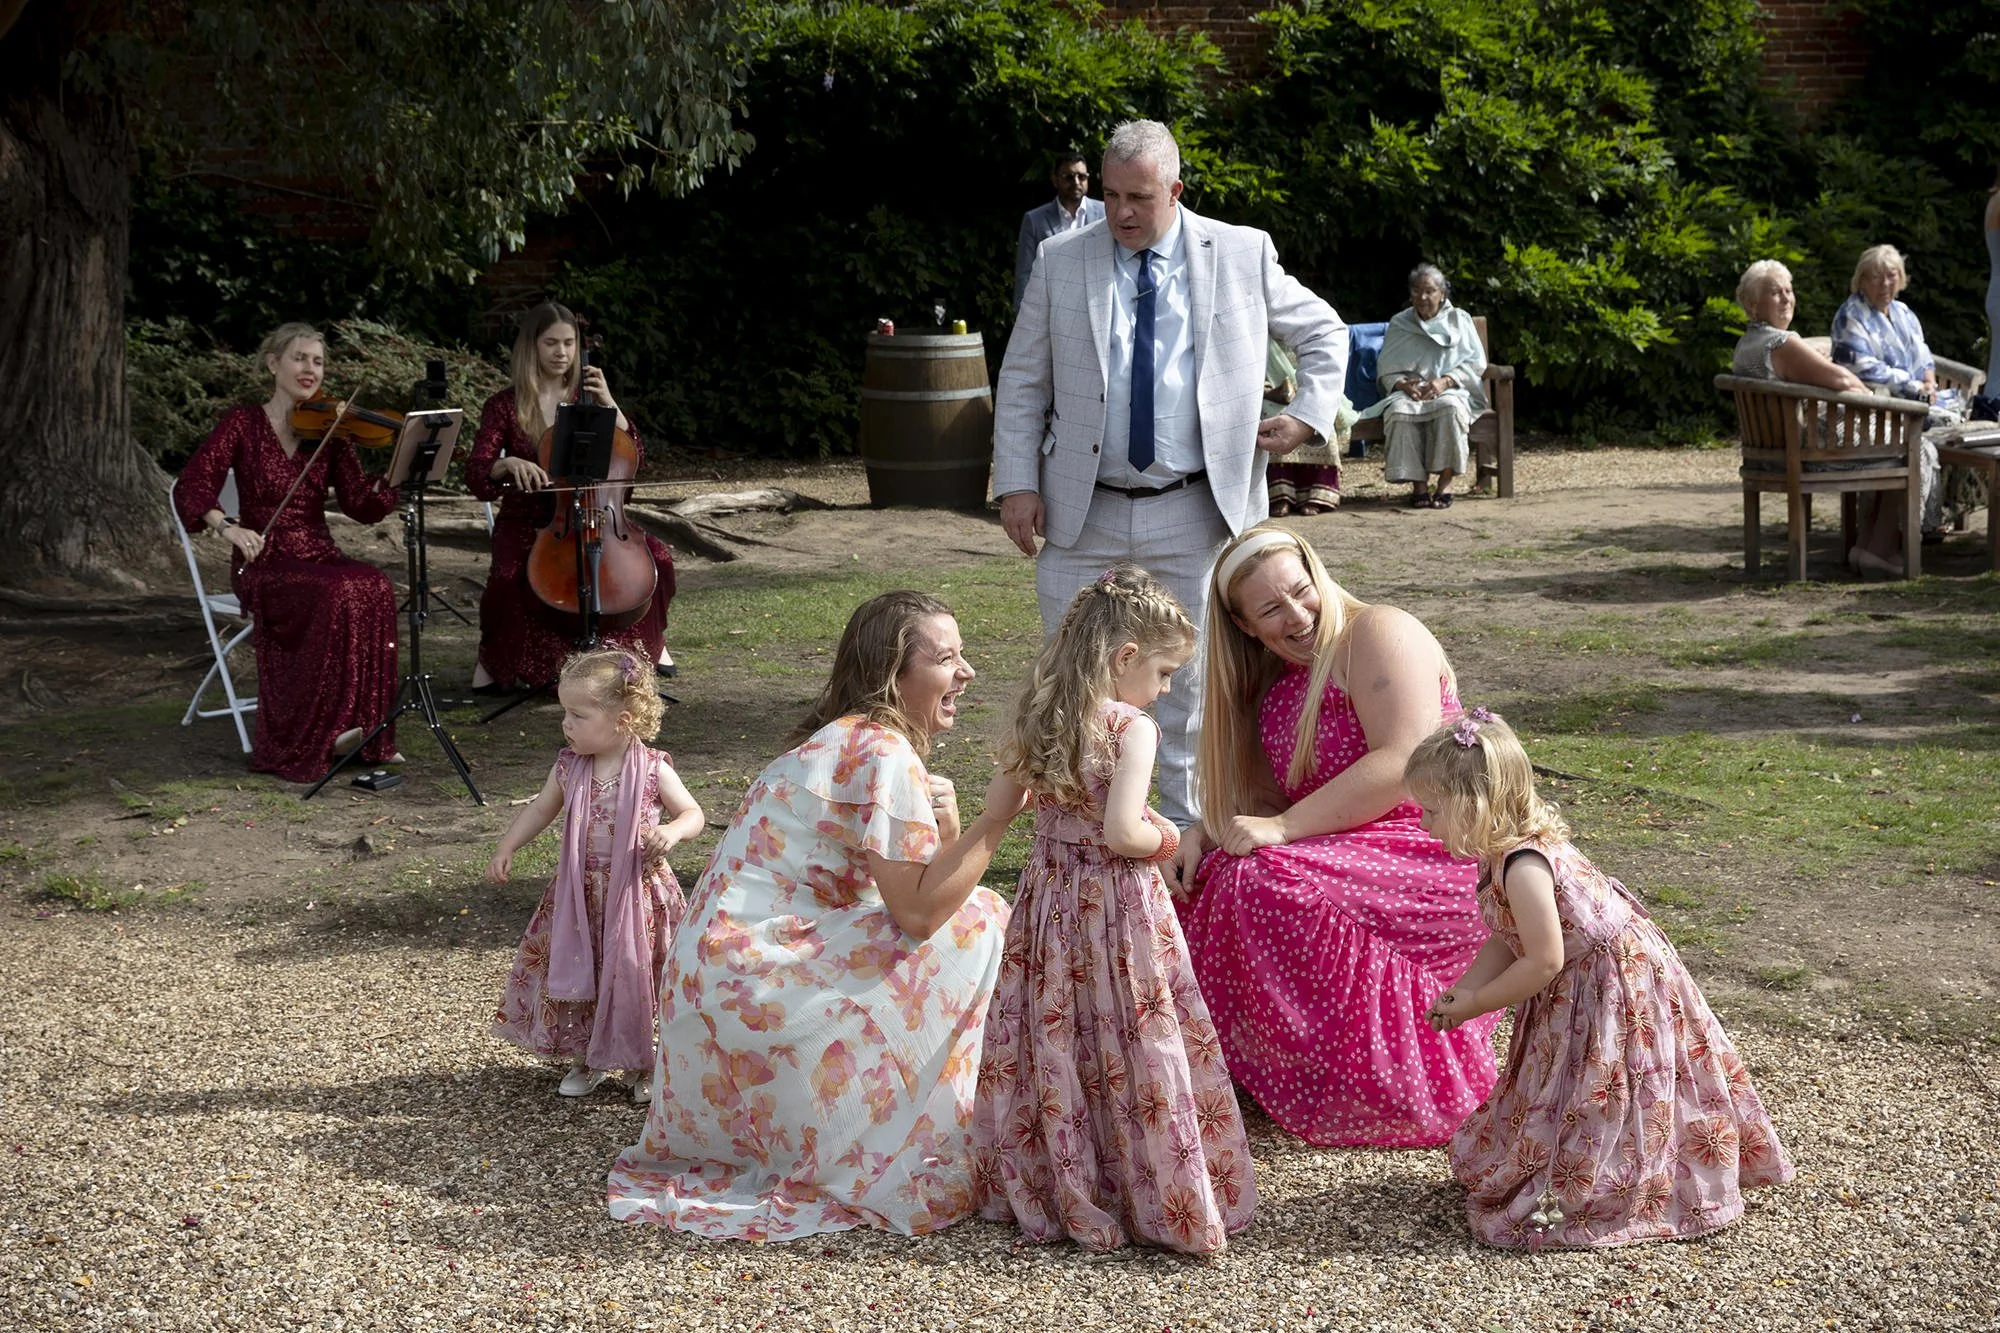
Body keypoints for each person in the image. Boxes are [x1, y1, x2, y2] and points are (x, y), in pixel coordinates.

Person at [608, 591, 1026, 1241]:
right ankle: (935, 1131)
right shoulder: (883, 750)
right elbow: (918, 912)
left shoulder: (839, 740)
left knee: (963, 915)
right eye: (947, 657)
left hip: (711, 986)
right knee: (983, 921)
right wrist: (997, 816)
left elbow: (905, 889)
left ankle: (899, 1116)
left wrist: (953, 825)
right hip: (757, 980)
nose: (967, 671)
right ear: (894, 674)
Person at [994, 118, 1348, 828]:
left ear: (1176, 190)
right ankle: (1079, 840)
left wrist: (1307, 416)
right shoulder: (1063, 258)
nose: (1120, 212)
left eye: (1140, 197)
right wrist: (1017, 481)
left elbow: (1324, 332)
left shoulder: (1242, 252)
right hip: (1081, 506)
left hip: (1197, 506)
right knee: (1072, 679)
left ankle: (1189, 841)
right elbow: (1025, 377)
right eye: (1114, 194)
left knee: (1191, 684)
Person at [1406, 709, 1795, 1249]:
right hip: (1581, 978)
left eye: (1432, 811)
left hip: (1609, 984)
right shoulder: (1497, 856)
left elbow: (1541, 961)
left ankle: (1612, 1178)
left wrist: (1477, 1006)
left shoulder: (1524, 866)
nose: (1424, 824)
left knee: (1605, 1085)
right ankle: (1564, 1157)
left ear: (1474, 806)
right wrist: (1467, 988)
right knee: (1570, 1080)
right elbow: (1507, 937)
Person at [1168, 525, 1497, 1147]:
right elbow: (1266, 803)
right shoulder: (1272, 685)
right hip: (1349, 851)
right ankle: (1264, 1065)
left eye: (1301, 590)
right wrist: (1200, 834)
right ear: (1244, 626)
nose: (1296, 615)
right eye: (1271, 608)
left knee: (1267, 875)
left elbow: (1404, 762)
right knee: (1207, 880)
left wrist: (1283, 829)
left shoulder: (1378, 632)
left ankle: (1367, 1075)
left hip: (1435, 841)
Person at [974, 565, 1252, 1255]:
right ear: (1125, 657)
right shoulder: (1131, 727)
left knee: (1061, 1032)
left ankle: (1064, 1176)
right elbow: (1123, 832)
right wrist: (1169, 837)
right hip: (1117, 909)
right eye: (1161, 673)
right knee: (1129, 1034)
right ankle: (1150, 1186)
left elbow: (1001, 807)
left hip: (1049, 905)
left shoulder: (1041, 710)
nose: (1163, 689)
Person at [173, 322, 403, 781]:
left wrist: (397, 477)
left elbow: (360, 504)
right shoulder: (242, 423)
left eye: (318, 361)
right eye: (300, 358)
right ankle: (315, 732)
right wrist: (228, 527)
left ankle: (364, 728)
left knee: (374, 585)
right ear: (273, 363)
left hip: (320, 553)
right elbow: (193, 485)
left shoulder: (330, 430)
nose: (310, 369)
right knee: (336, 592)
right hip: (265, 561)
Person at [487, 648, 704, 1103]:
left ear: (622, 721)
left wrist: (672, 830)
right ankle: (585, 1057)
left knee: (634, 973)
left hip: (637, 895)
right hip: (580, 896)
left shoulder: (652, 769)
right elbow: (542, 808)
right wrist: (508, 844)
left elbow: (693, 813)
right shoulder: (569, 766)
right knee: (584, 973)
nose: (566, 724)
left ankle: (643, 1063)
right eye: (565, 713)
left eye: (578, 715)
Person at [464, 302, 677, 692]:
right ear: (531, 347)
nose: (562, 353)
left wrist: (610, 404)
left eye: (569, 343)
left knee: (658, 557)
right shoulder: (503, 405)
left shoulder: (590, 398)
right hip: (529, 519)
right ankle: (497, 661)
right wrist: (507, 462)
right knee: (508, 576)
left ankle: (650, 648)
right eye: (551, 343)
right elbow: (477, 472)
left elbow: (634, 457)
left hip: (597, 517)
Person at [1732, 258, 1932, 579]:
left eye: (1789, 290)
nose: (1786, 299)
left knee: (1893, 441)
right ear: (1753, 306)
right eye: (1775, 293)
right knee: (1910, 446)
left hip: (1774, 450)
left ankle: (1868, 547)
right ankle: (1879, 550)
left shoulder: (1748, 344)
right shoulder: (1780, 343)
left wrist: (1821, 367)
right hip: (1806, 454)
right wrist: (1863, 390)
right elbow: (1842, 382)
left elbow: (1807, 373)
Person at [1362, 263, 1489, 509]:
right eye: (1417, 290)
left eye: (1429, 291)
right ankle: (1418, 484)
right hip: (1411, 392)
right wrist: (1402, 384)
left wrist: (1446, 380)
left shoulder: (1458, 319)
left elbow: (1476, 363)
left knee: (1450, 408)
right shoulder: (1400, 322)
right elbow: (1386, 368)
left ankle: (1445, 482)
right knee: (1400, 412)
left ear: (1442, 293)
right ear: (1410, 294)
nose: (1423, 297)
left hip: (1452, 388)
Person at [1265, 338, 1354, 517]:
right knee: (1277, 419)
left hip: (1310, 391)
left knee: (1319, 421)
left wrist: (1307, 391)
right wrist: (1272, 391)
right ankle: (1280, 496)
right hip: (1270, 397)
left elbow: (1324, 368)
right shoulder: (1261, 335)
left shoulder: (1309, 331)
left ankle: (1316, 495)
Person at [1013, 153, 1106, 308]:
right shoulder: (1034, 220)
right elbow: (1025, 274)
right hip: (1052, 309)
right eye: (1069, 177)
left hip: (1097, 306)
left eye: (1082, 176)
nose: (1076, 182)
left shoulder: (1105, 214)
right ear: (1055, 180)